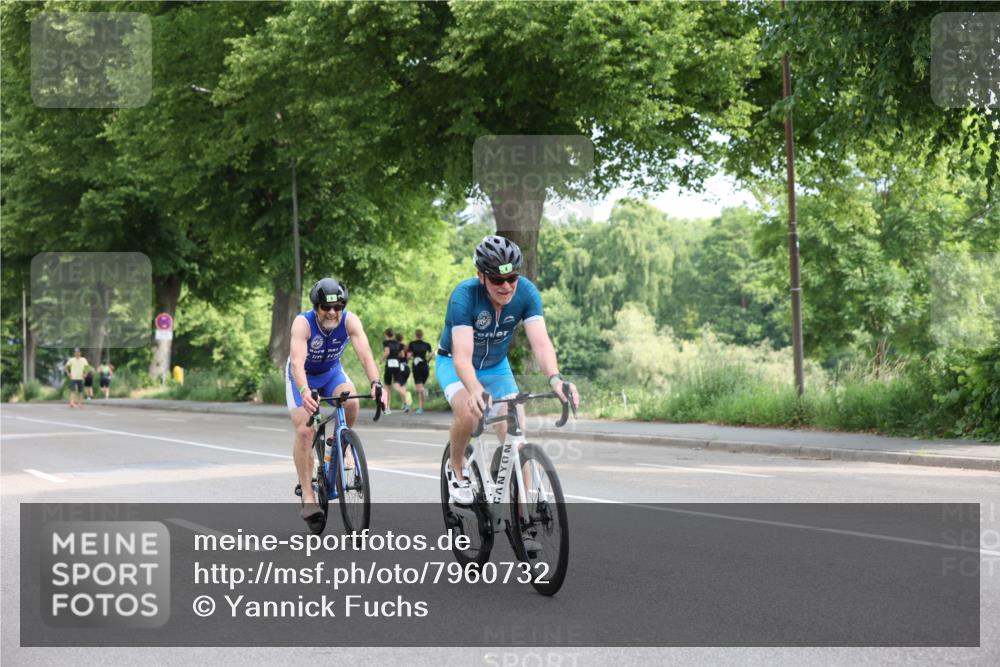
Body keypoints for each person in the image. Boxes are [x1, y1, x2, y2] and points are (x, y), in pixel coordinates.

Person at [437, 235, 579, 506]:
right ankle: (456, 469)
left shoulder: (526, 292)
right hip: (455, 364)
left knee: (517, 435)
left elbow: (540, 342)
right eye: (497, 280)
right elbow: (462, 357)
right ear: (481, 276)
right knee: (469, 415)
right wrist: (475, 390)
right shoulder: (464, 297)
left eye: (511, 278)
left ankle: (522, 513)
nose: (506, 286)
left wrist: (555, 378)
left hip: (496, 366)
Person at [287, 277, 388, 525]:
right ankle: (309, 497)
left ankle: (341, 446)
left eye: (338, 307)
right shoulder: (303, 323)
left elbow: (365, 354)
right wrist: (304, 390)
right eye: (326, 307)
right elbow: (297, 363)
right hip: (302, 377)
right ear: (316, 307)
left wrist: (376, 383)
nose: (333, 312)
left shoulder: (350, 320)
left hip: (332, 372)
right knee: (304, 430)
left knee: (352, 401)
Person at [380, 327, 411, 413]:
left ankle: (387, 407)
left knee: (387, 386)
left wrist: (381, 360)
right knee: (398, 385)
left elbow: (387, 352)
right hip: (397, 365)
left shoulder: (386, 342)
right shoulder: (398, 343)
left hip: (389, 365)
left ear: (386, 335)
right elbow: (402, 355)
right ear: (393, 335)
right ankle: (405, 404)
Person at [407, 329, 433, 414]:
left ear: (416, 335)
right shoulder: (427, 345)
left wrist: (413, 358)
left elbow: (408, 356)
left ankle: (421, 408)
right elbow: (431, 354)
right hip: (425, 367)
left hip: (417, 367)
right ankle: (424, 390)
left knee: (419, 388)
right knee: (421, 386)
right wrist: (427, 360)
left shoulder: (412, 344)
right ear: (422, 335)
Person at [395, 332, 412, 412]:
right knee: (403, 386)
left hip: (400, 368)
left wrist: (399, 356)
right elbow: (409, 356)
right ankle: (405, 405)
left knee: (396, 386)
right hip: (406, 367)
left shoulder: (398, 346)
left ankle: (407, 399)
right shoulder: (406, 346)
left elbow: (402, 354)